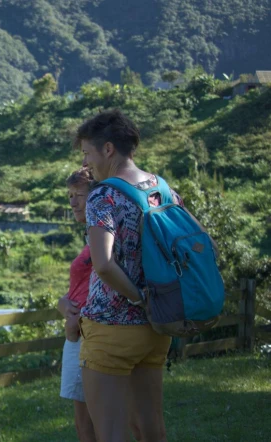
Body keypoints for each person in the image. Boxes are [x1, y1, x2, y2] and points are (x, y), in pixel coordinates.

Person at [76, 110, 183, 442]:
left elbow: (104, 265)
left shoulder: (103, 195)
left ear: (108, 149)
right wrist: (151, 303)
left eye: (87, 154)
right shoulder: (161, 188)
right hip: (156, 328)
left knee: (110, 433)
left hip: (112, 328)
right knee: (152, 429)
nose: (85, 164)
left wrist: (138, 298)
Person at [57, 167, 96, 442]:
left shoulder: (102, 234)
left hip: (88, 337)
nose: (72, 201)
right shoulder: (91, 236)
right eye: (70, 195)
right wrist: (63, 303)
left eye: (79, 195)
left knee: (89, 426)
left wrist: (75, 320)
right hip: (78, 334)